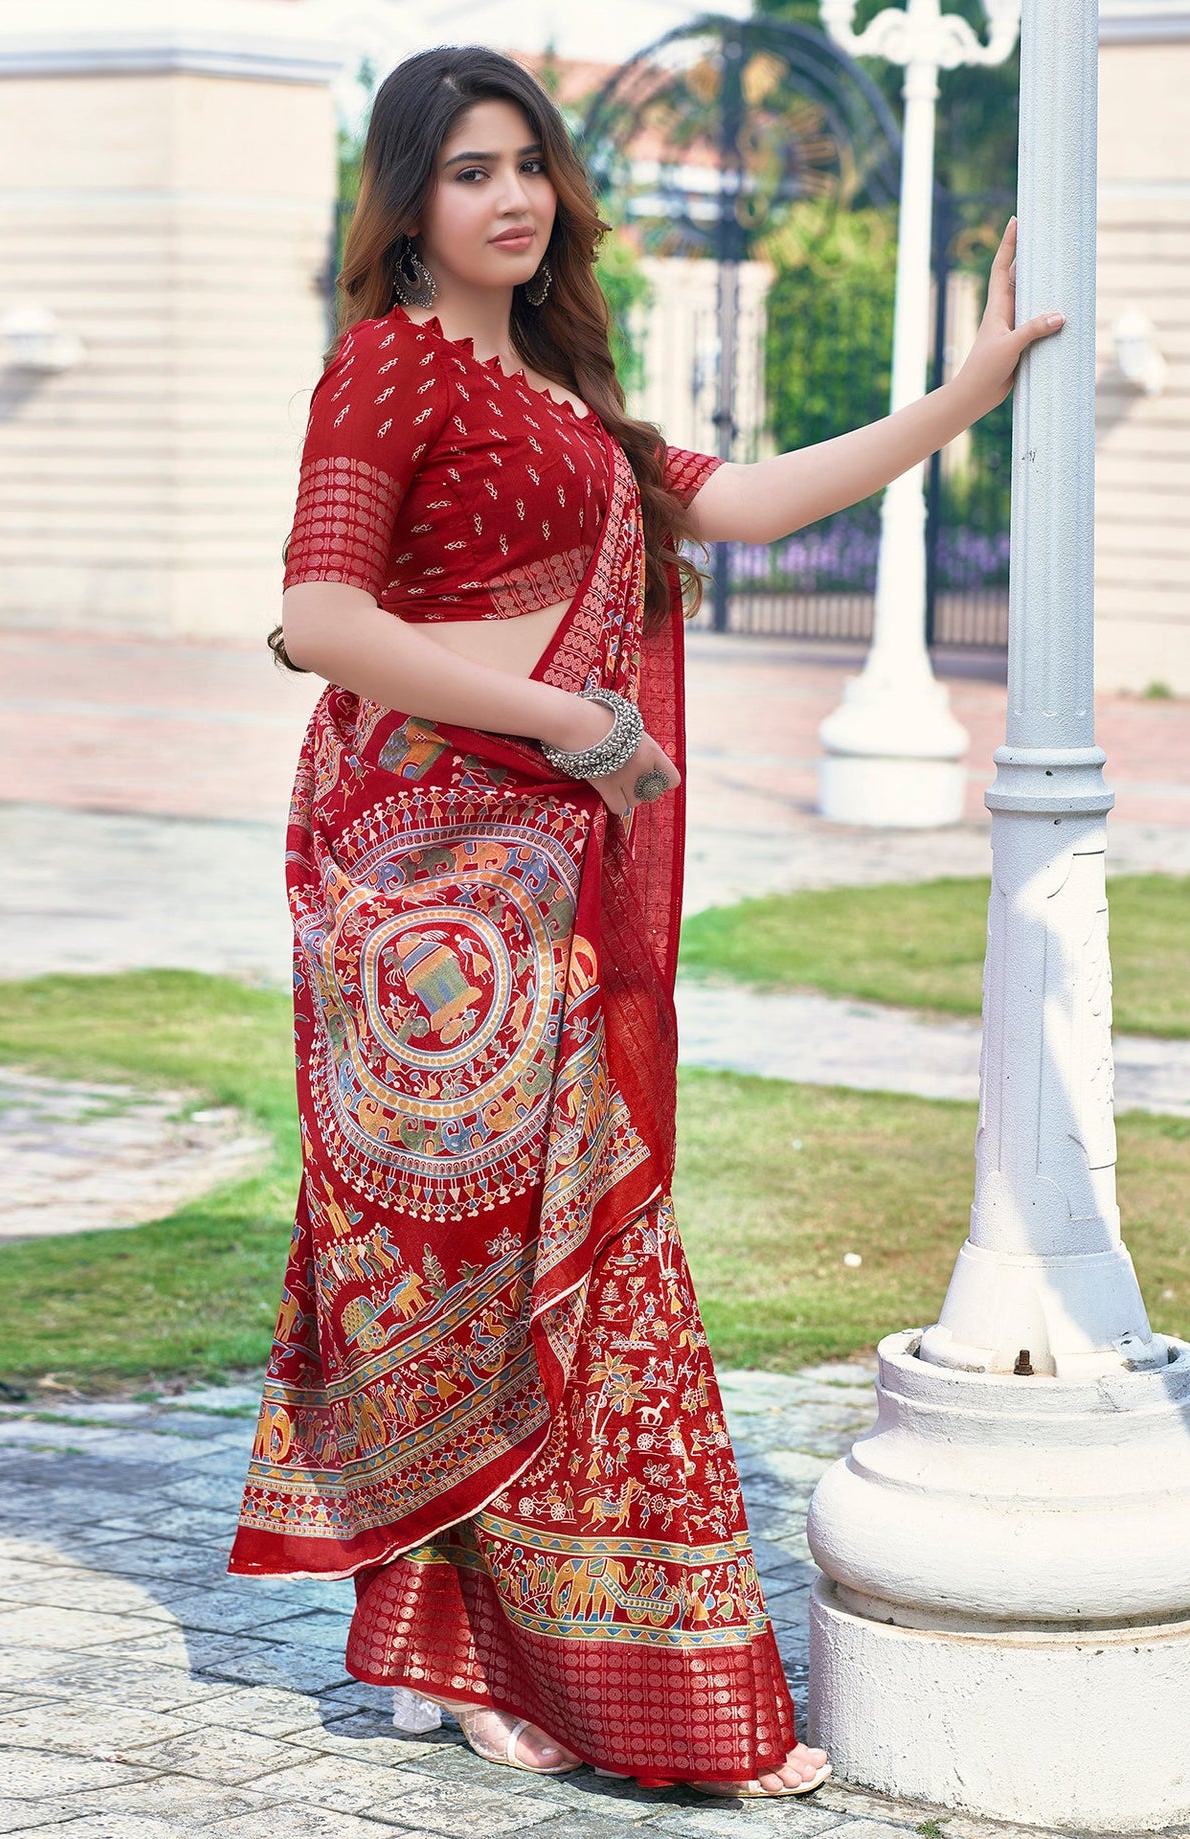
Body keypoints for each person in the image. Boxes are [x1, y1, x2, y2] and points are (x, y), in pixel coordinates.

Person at [228, 44, 1062, 1797]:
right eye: (469, 171)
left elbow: (744, 501)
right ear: (406, 199)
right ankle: (516, 1663)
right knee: (474, 1265)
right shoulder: (386, 371)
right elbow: (317, 616)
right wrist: (576, 725)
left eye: (527, 163)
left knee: (565, 1253)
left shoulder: (560, 388)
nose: (510, 197)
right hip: (429, 897)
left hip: (543, 880)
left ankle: (500, 1657)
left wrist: (963, 396)